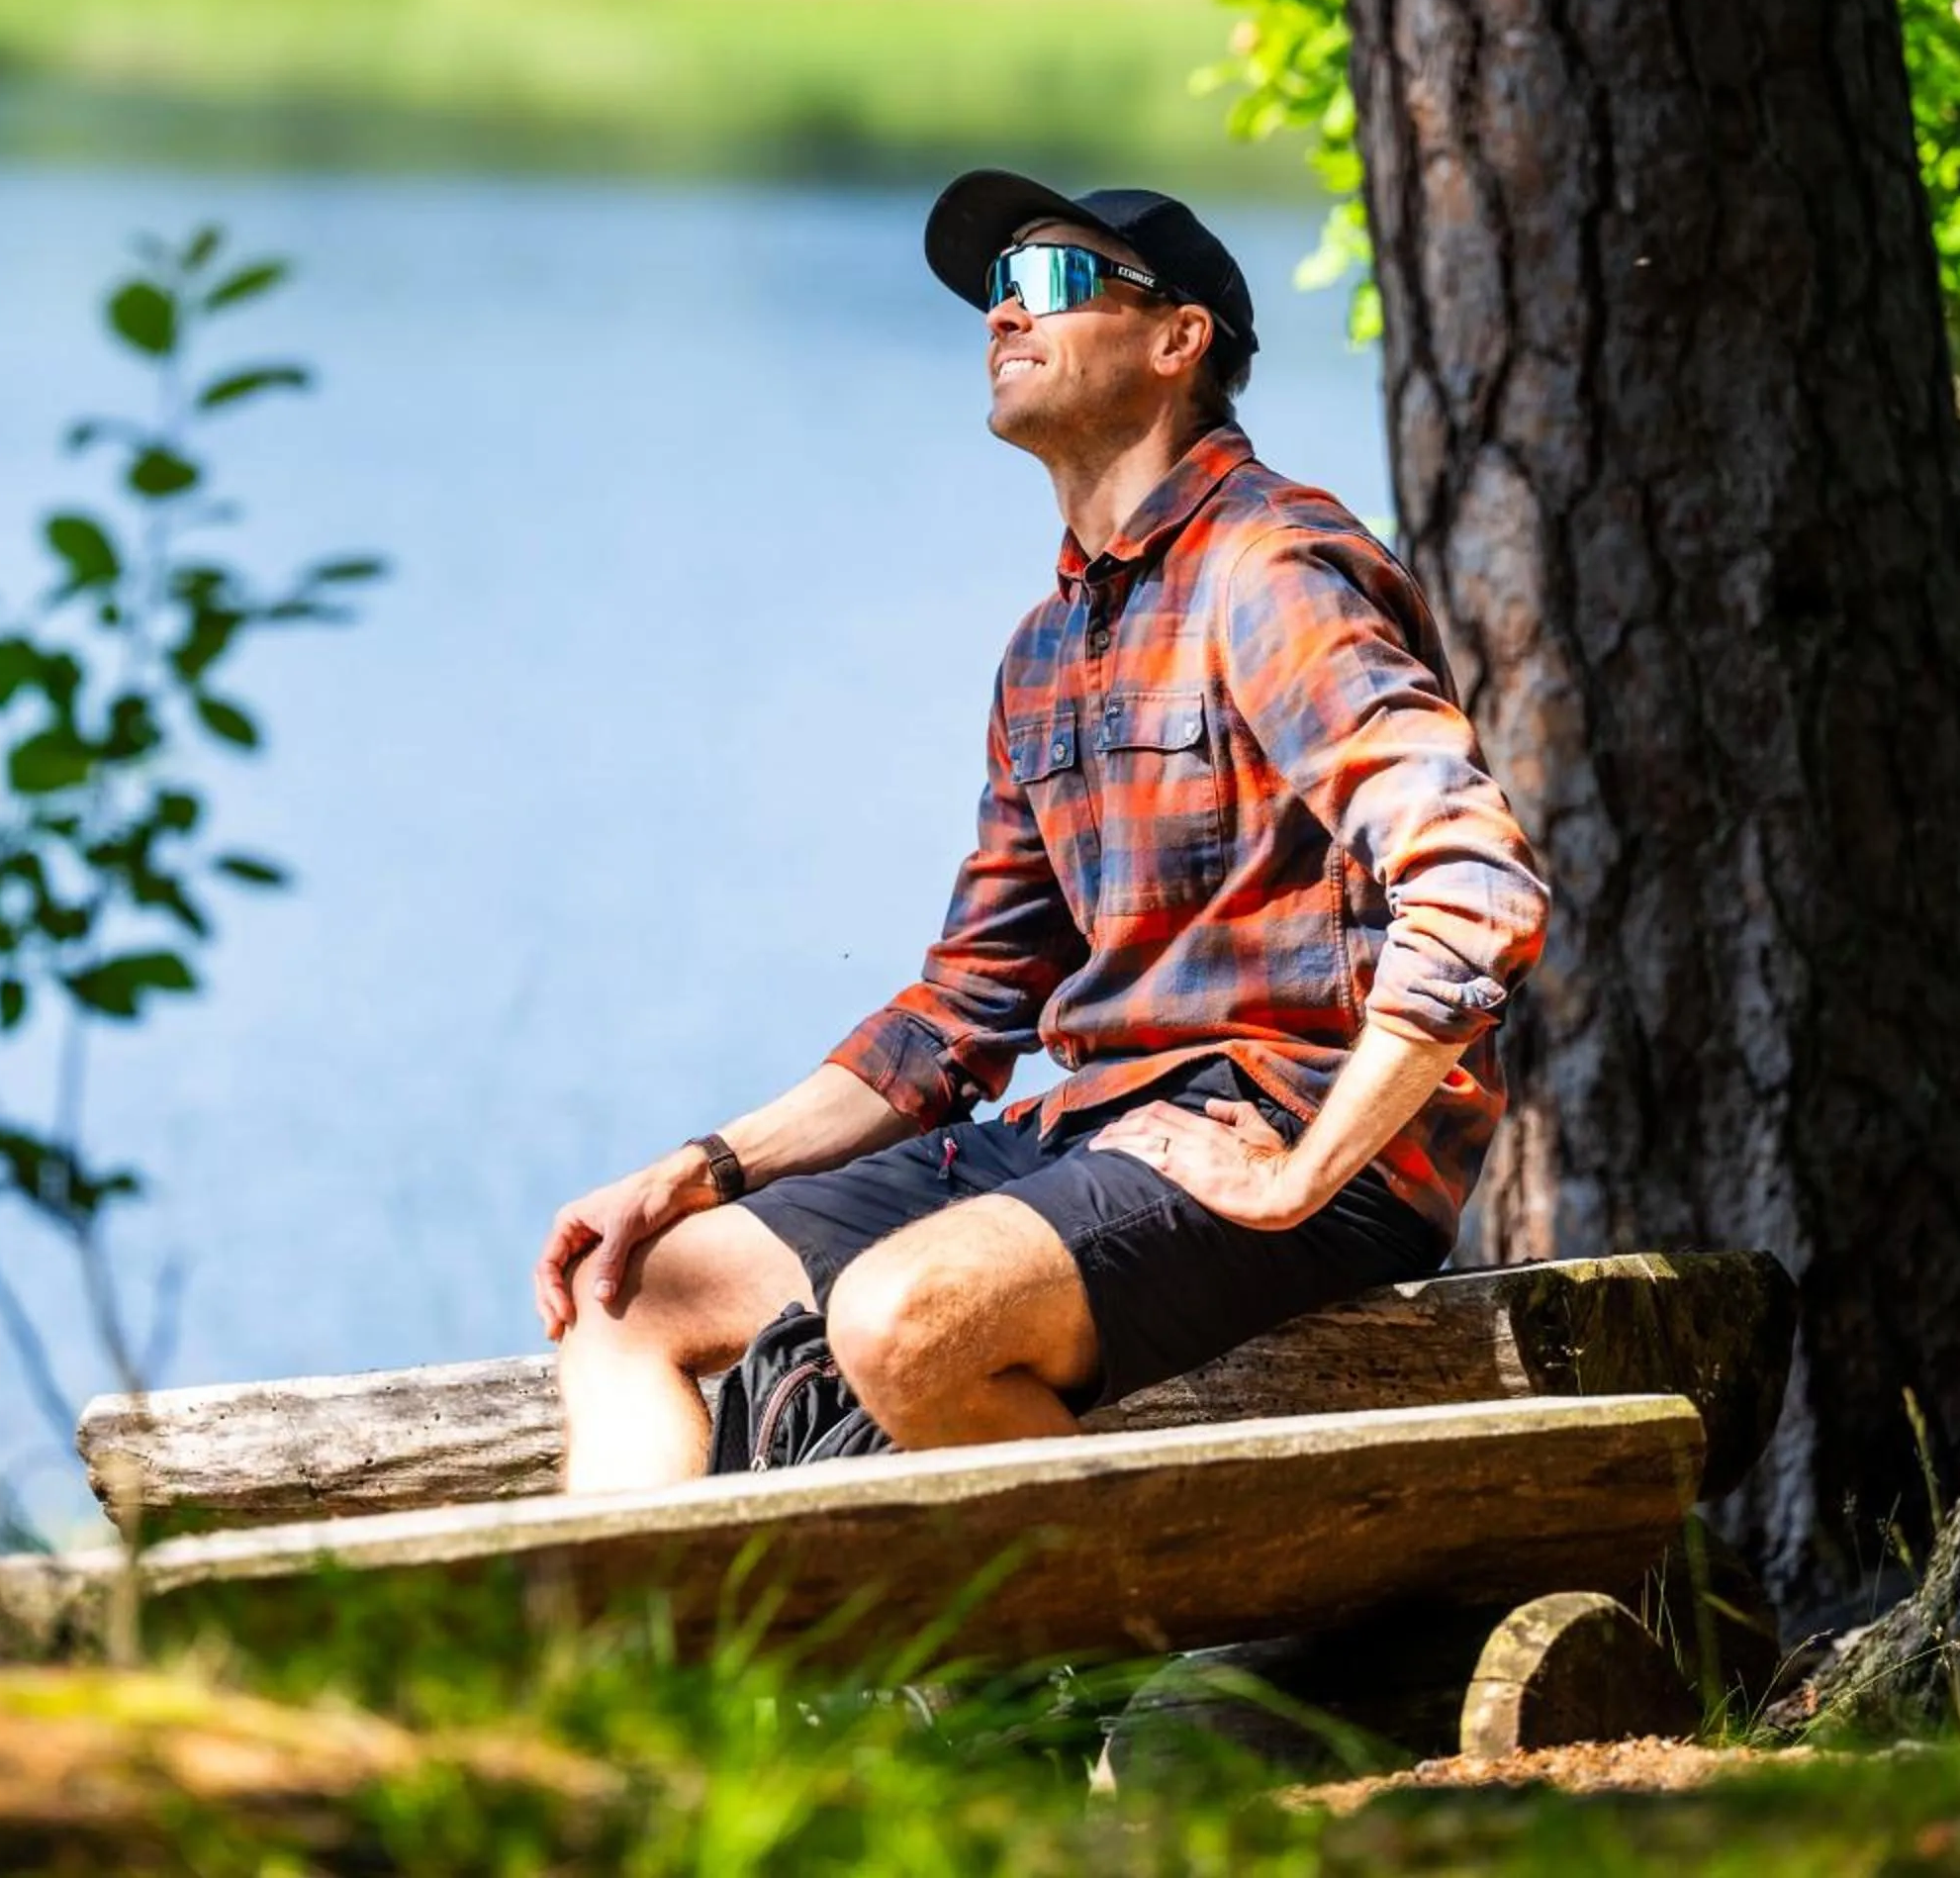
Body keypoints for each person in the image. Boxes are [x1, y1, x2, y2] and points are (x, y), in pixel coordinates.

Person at [534, 169, 1549, 1492]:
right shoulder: (1047, 650)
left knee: (903, 1319)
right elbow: (961, 1014)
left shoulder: (1271, 571)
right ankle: (644, 1700)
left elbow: (1475, 885)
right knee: (631, 1293)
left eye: (1059, 281)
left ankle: (1138, 1684)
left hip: (1277, 1141)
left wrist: (1303, 1171)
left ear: (1177, 341)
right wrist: (700, 1167)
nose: (1007, 314)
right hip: (1088, 1136)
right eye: (998, 291)